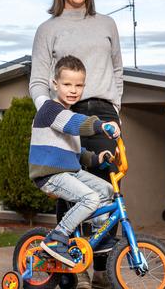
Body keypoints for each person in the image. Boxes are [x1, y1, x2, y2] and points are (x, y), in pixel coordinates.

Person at [29, 0, 123, 288]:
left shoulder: (107, 24)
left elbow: (117, 71)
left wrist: (115, 109)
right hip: (64, 112)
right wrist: (49, 111)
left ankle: (102, 268)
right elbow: (38, 80)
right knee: (70, 183)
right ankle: (64, 263)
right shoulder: (48, 29)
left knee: (106, 188)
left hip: (103, 113)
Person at [28, 55, 120, 268]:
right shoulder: (50, 110)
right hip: (49, 174)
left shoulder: (68, 114)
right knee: (90, 198)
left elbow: (75, 152)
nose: (73, 89)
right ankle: (57, 236)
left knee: (106, 191)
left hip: (69, 171)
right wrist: (100, 125)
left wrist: (96, 158)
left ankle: (99, 238)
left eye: (78, 85)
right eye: (67, 84)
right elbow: (73, 124)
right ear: (54, 84)